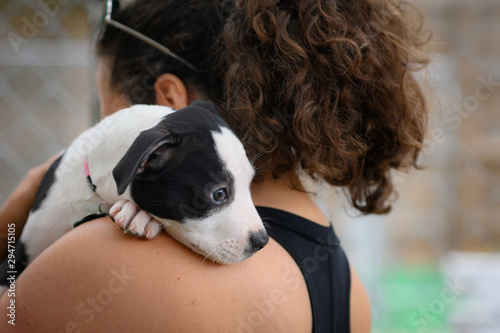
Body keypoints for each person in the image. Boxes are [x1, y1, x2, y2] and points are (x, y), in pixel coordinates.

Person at [0, 0, 428, 331]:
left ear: (168, 101)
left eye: (105, 104)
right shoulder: (350, 291)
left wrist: (15, 216)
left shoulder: (111, 256)